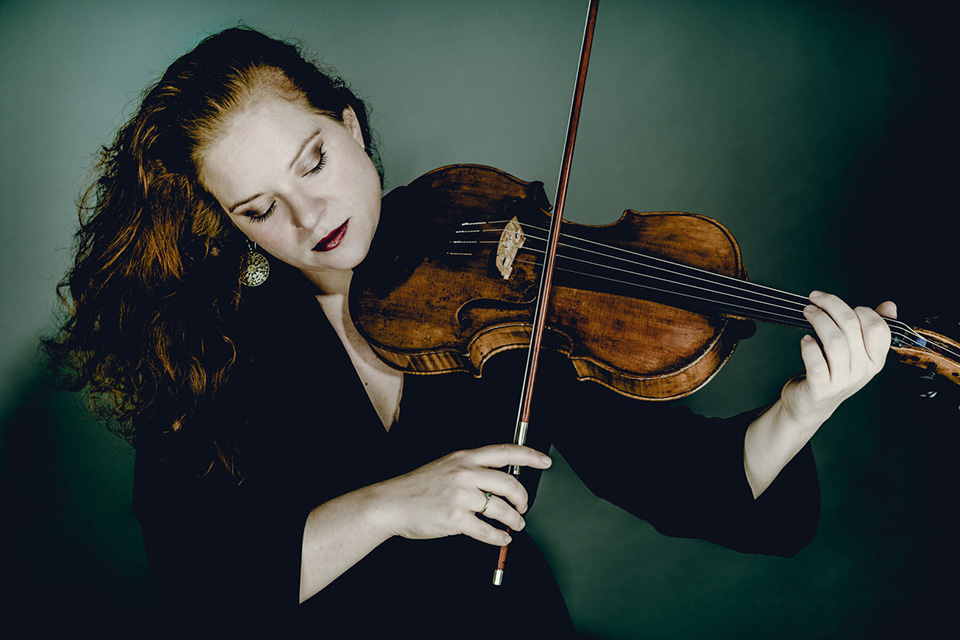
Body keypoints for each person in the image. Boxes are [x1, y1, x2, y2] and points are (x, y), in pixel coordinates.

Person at [45, 27, 896, 637]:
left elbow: (678, 479)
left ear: (348, 123)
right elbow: (208, 593)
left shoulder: (500, 268)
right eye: (260, 208)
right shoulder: (211, 352)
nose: (311, 215)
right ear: (235, 227)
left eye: (313, 159)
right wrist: (388, 507)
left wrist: (803, 406)